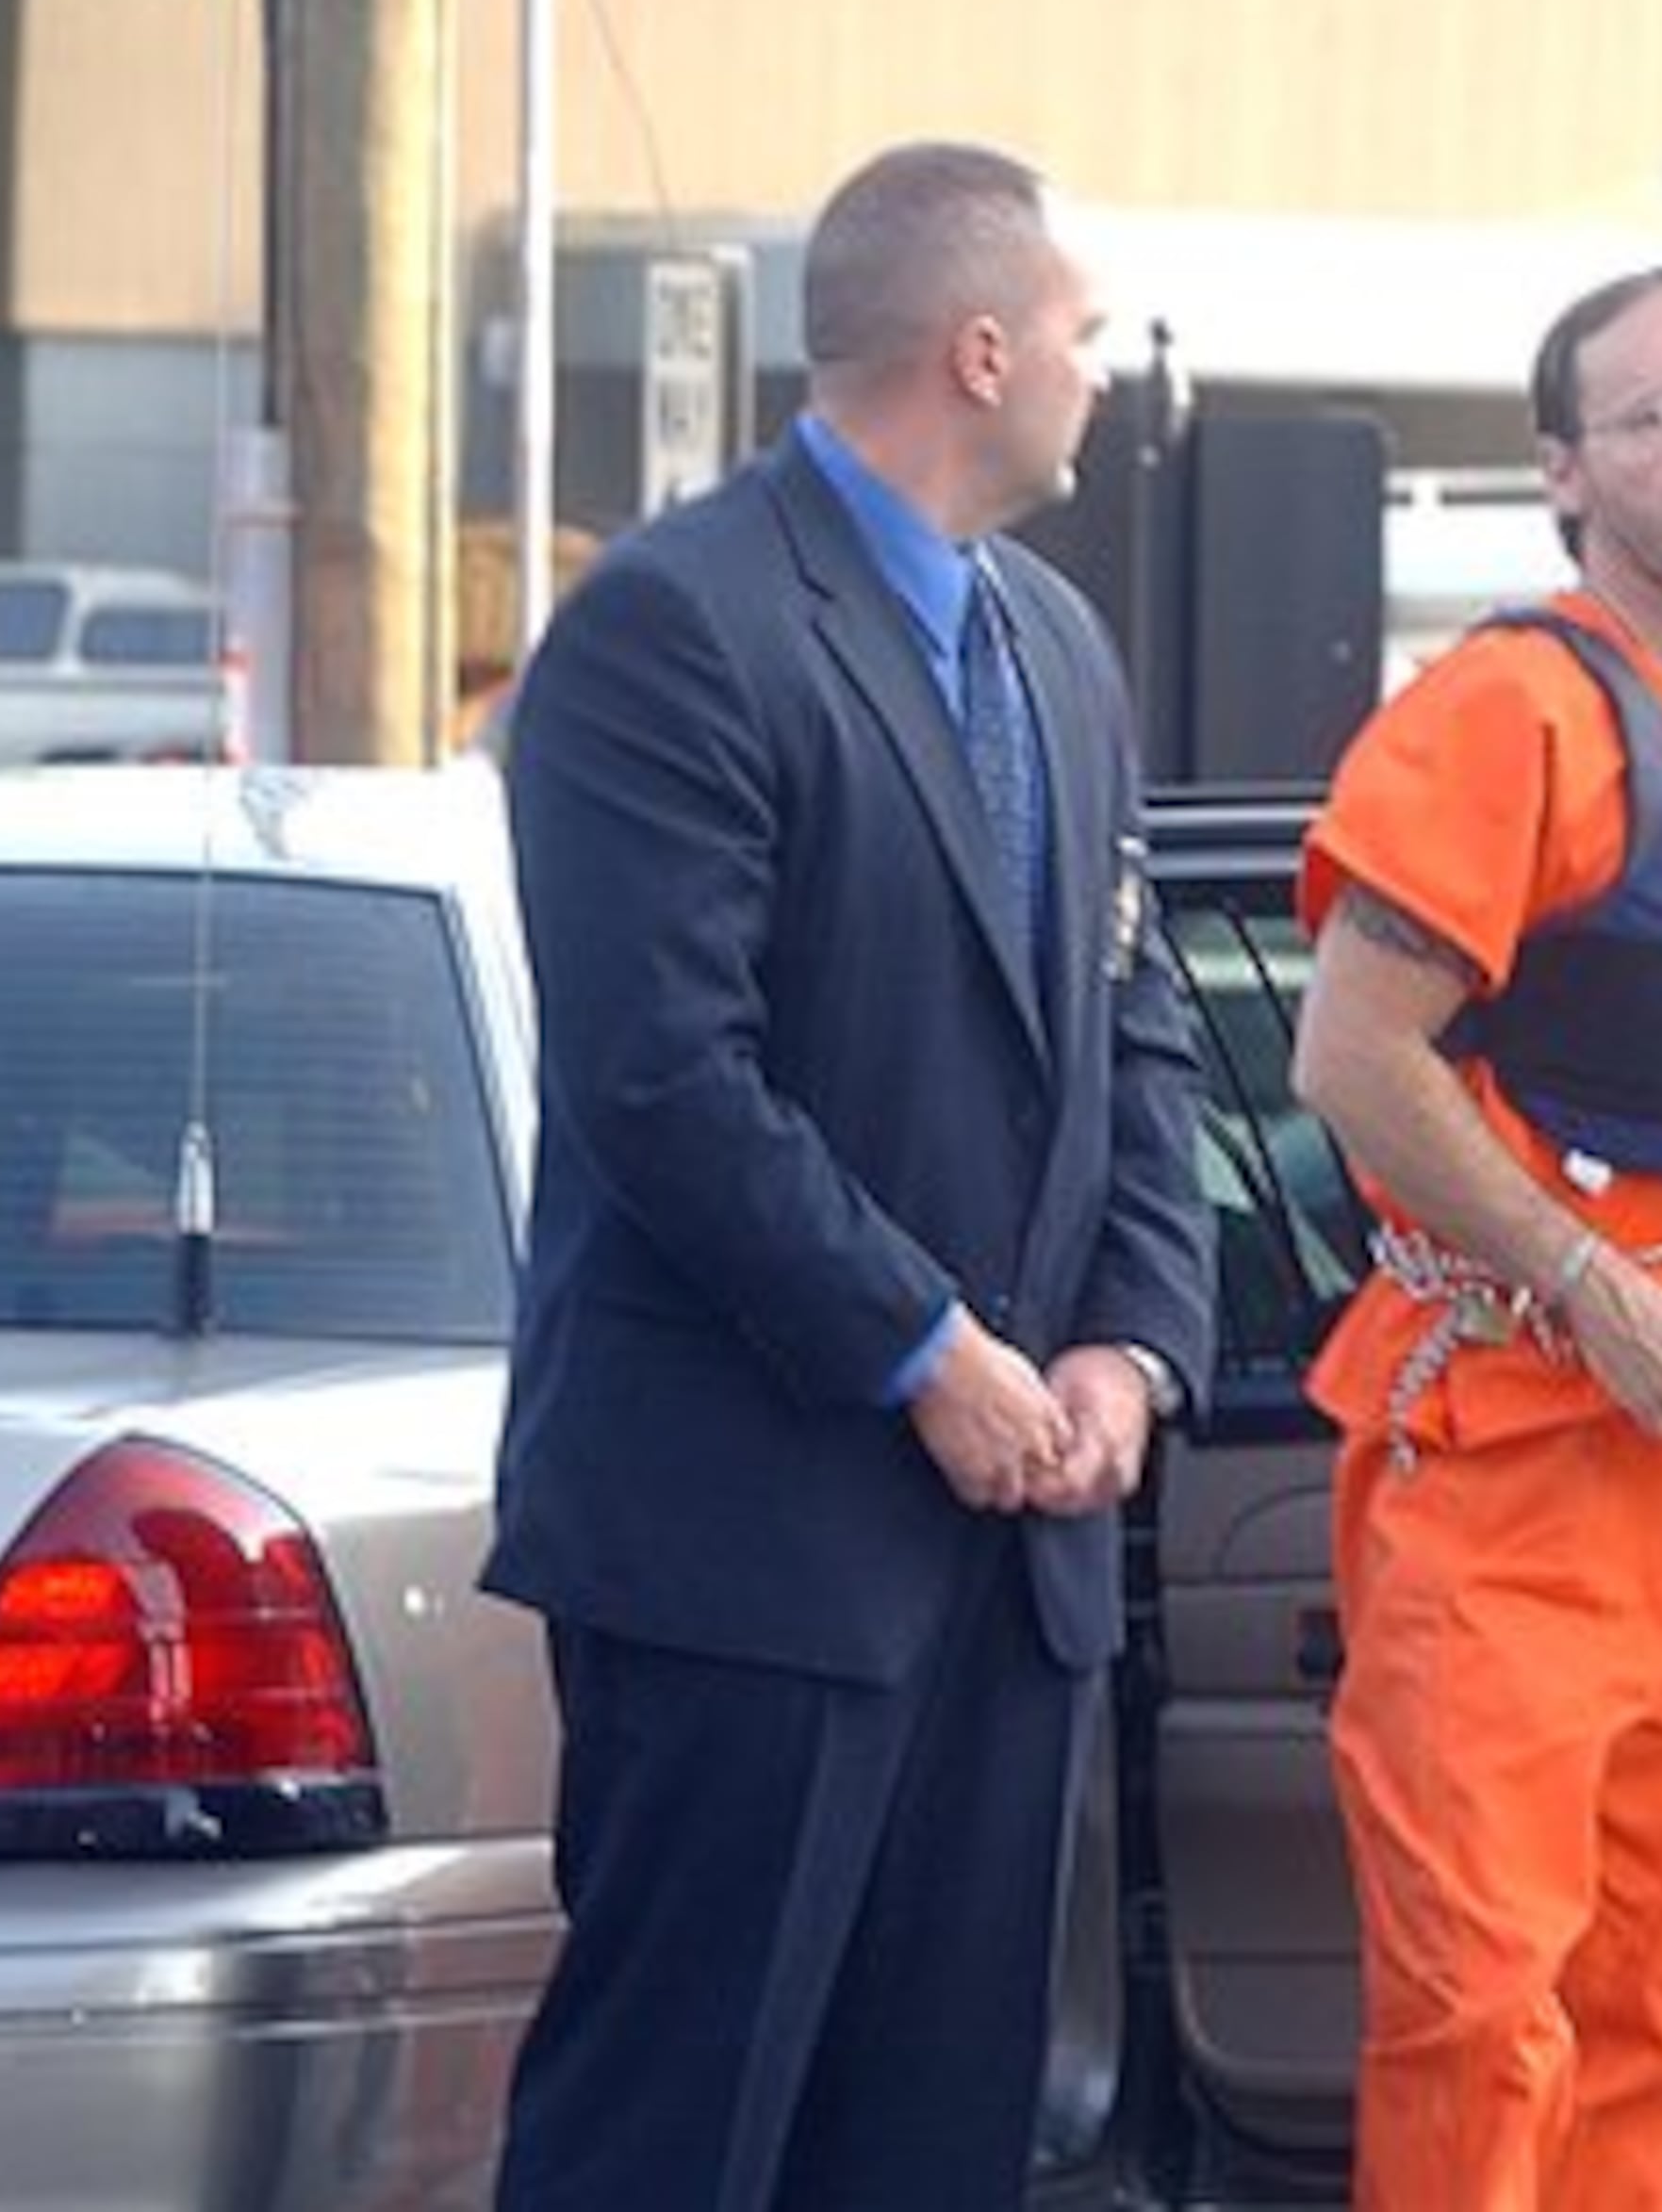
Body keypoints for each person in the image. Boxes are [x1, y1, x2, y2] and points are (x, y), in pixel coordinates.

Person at [483, 140, 1214, 2211]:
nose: (1100, 374)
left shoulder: (1061, 648)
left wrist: (1128, 1360)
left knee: (932, 2149)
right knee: (676, 2139)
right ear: (982, 350)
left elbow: (1133, 1038)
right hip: (747, 1551)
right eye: (1081, 332)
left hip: (1013, 1574)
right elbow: (663, 1083)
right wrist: (927, 1353)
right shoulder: (674, 628)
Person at [1288, 265, 1662, 2211]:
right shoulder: (1507, 709)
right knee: (1484, 2017)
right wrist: (1585, 1283)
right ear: (1563, 475)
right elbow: (1352, 1056)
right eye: (1658, 415)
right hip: (1500, 1460)